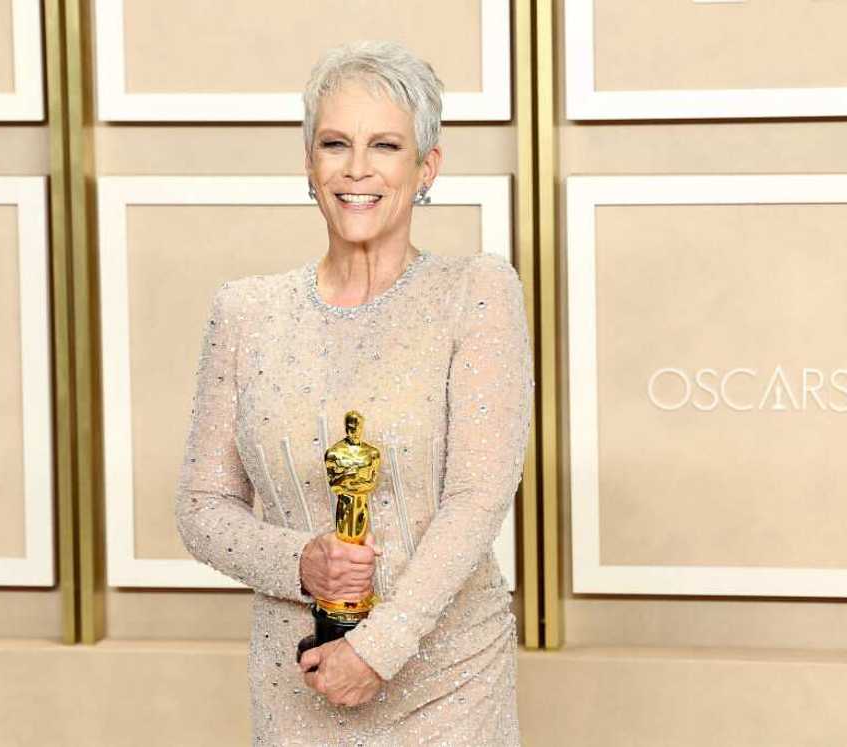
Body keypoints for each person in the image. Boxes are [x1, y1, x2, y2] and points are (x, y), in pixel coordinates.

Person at [175, 39, 535, 745]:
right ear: (309, 164)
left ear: (426, 166)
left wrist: (380, 645)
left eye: (386, 145)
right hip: (299, 677)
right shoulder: (245, 312)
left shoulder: (477, 293)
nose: (357, 168)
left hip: (449, 680)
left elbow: (479, 495)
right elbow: (200, 506)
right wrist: (299, 562)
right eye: (335, 143)